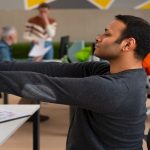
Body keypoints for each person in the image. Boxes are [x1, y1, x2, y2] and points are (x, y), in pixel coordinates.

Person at [0, 15, 150, 149]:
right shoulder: (110, 71)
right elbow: (52, 69)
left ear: (128, 44)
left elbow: (41, 85)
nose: (98, 37)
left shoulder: (115, 88)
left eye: (107, 34)